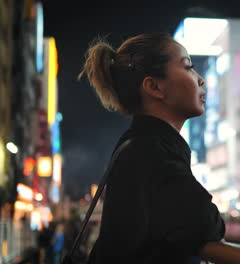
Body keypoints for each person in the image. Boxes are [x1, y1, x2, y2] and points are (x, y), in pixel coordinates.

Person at [77, 33, 225, 263]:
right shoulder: (152, 153)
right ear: (154, 87)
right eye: (188, 67)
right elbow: (207, 222)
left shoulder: (137, 145)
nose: (200, 79)